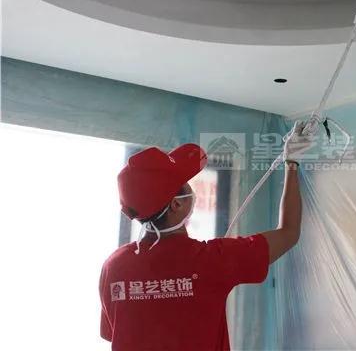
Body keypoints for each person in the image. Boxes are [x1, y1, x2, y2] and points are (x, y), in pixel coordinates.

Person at [99, 121, 315, 350]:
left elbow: (112, 333)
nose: (192, 189)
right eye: (186, 184)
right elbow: (289, 233)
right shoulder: (212, 260)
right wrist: (292, 163)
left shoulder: (114, 266)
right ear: (176, 205)